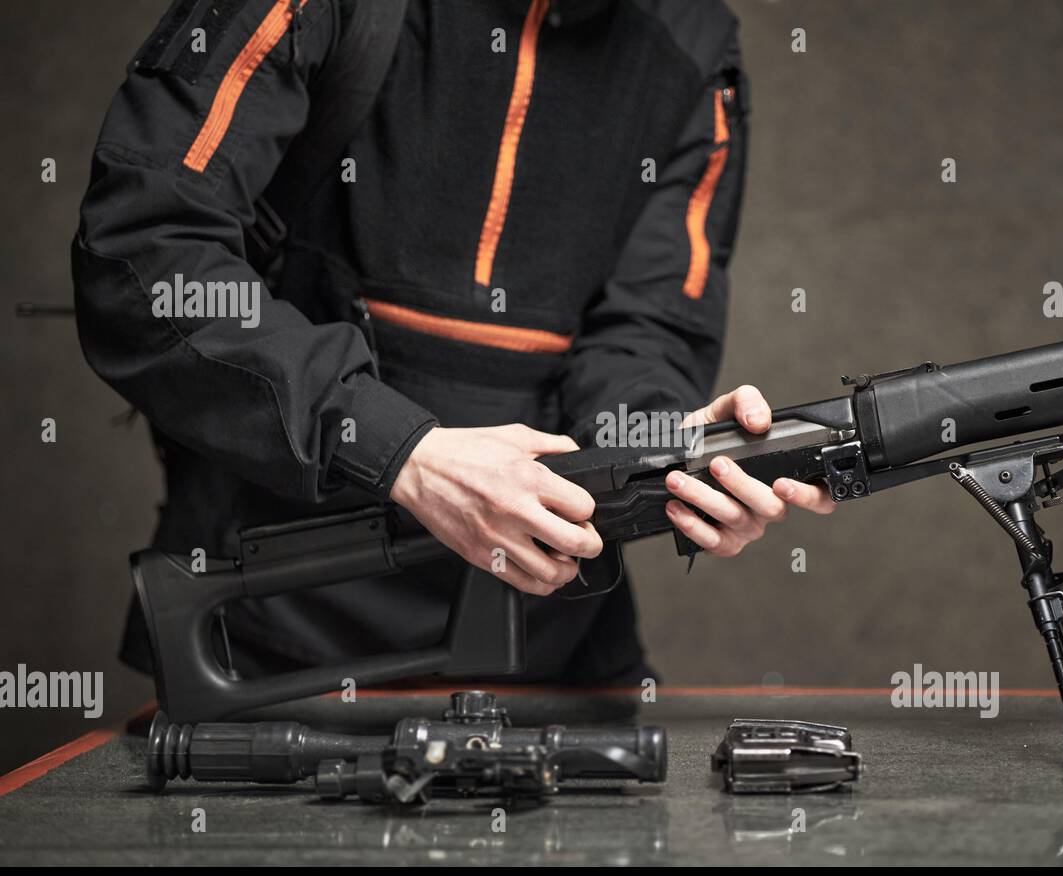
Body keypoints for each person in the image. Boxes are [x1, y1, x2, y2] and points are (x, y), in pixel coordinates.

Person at [72, 0, 833, 685]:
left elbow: (643, 334)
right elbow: (144, 248)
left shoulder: (697, 42)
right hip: (268, 640)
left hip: (553, 643)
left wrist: (661, 449)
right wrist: (397, 449)